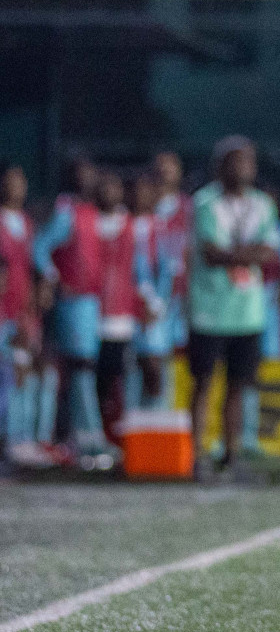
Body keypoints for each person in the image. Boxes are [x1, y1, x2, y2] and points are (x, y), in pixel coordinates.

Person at [188, 137, 280, 480]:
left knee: (239, 386)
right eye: (238, 161)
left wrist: (236, 254)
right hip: (209, 307)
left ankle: (232, 455)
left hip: (248, 310)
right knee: (204, 382)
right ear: (221, 166)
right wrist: (248, 253)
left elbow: (270, 253)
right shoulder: (205, 203)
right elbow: (211, 254)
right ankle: (197, 456)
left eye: (250, 161)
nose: (246, 168)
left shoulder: (263, 205)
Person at [33, 156, 115, 469]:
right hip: (73, 302)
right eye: (83, 174)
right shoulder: (67, 213)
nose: (90, 179)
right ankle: (88, 439)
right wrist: (55, 278)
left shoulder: (93, 214)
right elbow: (41, 247)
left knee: (86, 368)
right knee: (80, 367)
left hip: (92, 303)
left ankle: (83, 437)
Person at [93, 170, 152, 436]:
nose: (110, 192)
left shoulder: (129, 224)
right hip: (89, 313)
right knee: (94, 376)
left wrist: (149, 301)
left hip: (121, 314)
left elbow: (140, 269)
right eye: (105, 186)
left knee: (123, 373)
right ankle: (92, 433)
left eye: (114, 186)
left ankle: (127, 429)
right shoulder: (86, 220)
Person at [0, 165, 48, 468]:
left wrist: (29, 312)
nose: (16, 187)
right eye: (9, 182)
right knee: (5, 376)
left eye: (20, 182)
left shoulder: (28, 224)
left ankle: (20, 440)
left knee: (22, 375)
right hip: (2, 311)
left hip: (22, 311)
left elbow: (29, 269)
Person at [241, 186, 280, 456]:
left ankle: (251, 431)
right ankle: (236, 432)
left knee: (258, 369)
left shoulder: (278, 230)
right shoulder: (244, 228)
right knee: (239, 370)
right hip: (240, 306)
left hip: (266, 308)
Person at [128, 170, 177, 411]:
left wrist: (156, 303)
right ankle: (132, 422)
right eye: (135, 189)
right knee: (132, 363)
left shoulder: (160, 228)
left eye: (146, 190)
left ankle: (158, 419)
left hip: (156, 308)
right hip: (129, 307)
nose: (140, 195)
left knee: (155, 364)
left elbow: (166, 269)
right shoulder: (124, 225)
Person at [152, 151, 192, 354]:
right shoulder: (144, 207)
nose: (165, 173)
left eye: (170, 168)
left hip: (182, 292)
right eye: (161, 168)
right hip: (153, 292)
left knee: (182, 350)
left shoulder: (189, 208)